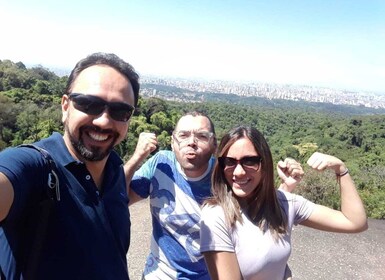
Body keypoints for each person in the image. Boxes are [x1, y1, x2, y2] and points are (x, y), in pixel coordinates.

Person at [0, 52, 139, 280]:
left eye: (120, 111)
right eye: (89, 104)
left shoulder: (114, 169)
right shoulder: (35, 167)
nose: (104, 120)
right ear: (65, 106)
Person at [124, 112, 304, 279]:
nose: (191, 142)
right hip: (161, 274)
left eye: (202, 136)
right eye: (183, 135)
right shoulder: (160, 165)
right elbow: (120, 199)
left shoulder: (225, 176)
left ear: (214, 145)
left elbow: (259, 210)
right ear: (173, 142)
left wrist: (285, 188)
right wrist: (137, 157)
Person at [199, 125, 368, 280]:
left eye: (249, 161)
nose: (238, 172)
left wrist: (340, 169)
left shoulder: (285, 204)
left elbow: (355, 222)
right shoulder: (216, 216)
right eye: (229, 162)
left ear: (264, 164)